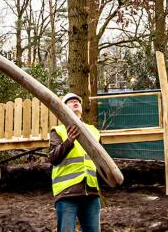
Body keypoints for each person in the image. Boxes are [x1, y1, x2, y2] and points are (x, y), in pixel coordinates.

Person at [48, 92, 102, 232]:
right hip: (67, 193)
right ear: (64, 109)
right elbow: (53, 158)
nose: (75, 102)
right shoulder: (58, 131)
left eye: (77, 101)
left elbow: (101, 162)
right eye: (70, 101)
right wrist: (69, 141)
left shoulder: (94, 131)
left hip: (91, 192)